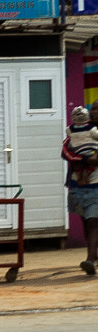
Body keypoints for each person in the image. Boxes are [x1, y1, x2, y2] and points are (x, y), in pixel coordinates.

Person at [65, 104, 98, 276]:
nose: (94, 112)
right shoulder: (76, 132)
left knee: (93, 222)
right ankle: (93, 254)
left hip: (96, 184)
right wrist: (81, 159)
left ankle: (90, 259)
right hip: (79, 185)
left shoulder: (94, 132)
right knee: (87, 222)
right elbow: (65, 150)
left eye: (97, 109)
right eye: (93, 109)